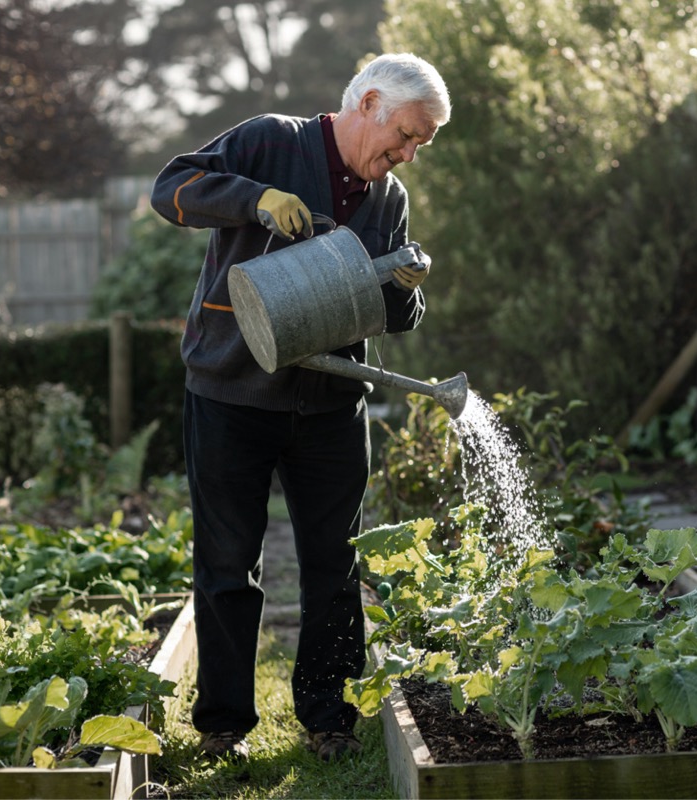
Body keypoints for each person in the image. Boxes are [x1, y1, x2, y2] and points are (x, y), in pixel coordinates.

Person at [150, 53, 451, 763]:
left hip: (330, 402)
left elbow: (395, 316)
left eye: (420, 146)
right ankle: (224, 725)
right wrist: (254, 200)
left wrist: (406, 284)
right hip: (231, 389)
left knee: (336, 564)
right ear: (371, 102)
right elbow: (171, 189)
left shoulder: (389, 200)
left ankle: (330, 717)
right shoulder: (271, 141)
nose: (407, 154)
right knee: (227, 563)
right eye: (406, 135)